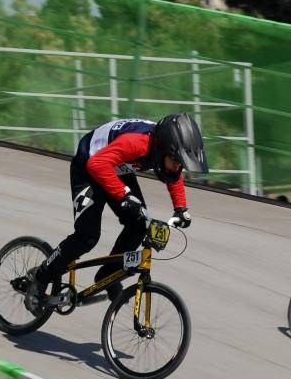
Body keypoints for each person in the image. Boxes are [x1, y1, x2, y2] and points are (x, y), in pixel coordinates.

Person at [24, 114, 208, 314]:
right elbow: (96, 164)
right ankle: (41, 277)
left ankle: (107, 274)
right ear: (163, 149)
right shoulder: (137, 143)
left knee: (139, 223)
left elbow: (173, 176)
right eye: (175, 160)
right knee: (87, 236)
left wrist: (181, 208)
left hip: (115, 166)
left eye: (180, 163)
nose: (177, 167)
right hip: (89, 166)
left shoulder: (164, 147)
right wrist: (124, 194)